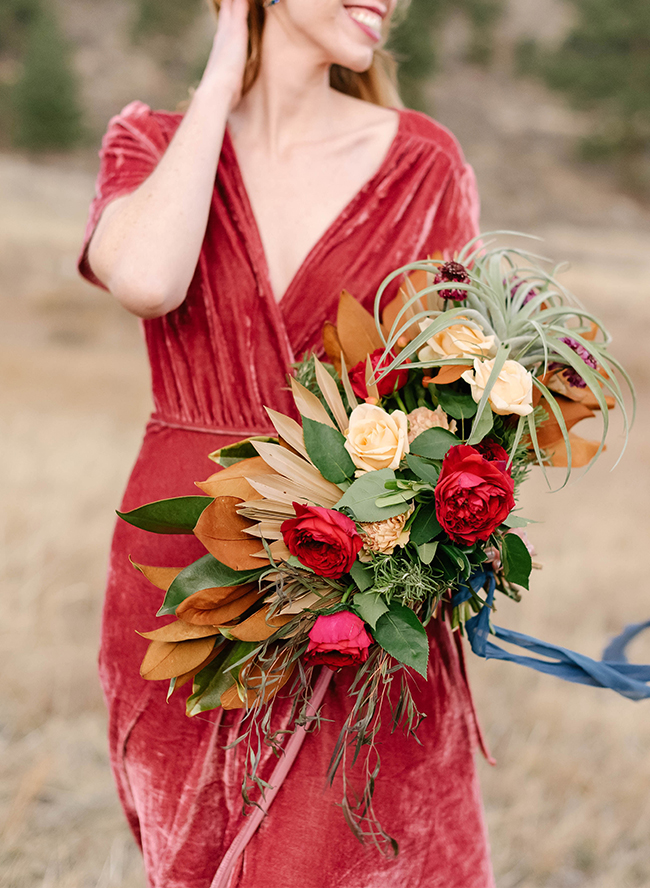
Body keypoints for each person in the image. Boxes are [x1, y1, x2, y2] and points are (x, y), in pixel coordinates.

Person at [78, 0, 494, 885]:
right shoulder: (151, 142)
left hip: (352, 582)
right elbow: (150, 279)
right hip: (178, 579)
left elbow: (459, 404)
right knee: (191, 858)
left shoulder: (424, 162)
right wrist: (228, 63)